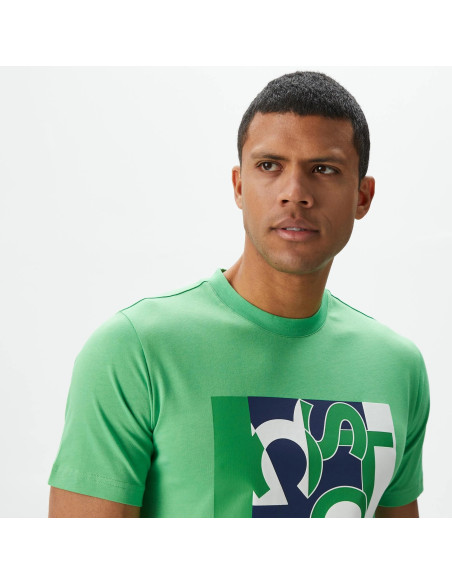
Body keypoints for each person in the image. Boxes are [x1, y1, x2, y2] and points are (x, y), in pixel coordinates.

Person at [48, 71, 430, 518]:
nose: (295, 194)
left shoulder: (395, 366)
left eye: (323, 169)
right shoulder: (135, 351)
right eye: (269, 166)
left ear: (363, 196)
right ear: (239, 186)